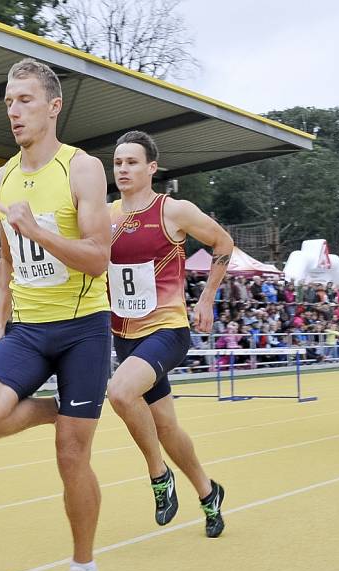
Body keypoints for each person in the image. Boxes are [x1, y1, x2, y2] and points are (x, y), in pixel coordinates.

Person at [0, 58, 111, 571]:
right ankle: (60, 408)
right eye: (7, 102)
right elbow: (5, 259)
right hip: (27, 328)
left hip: (82, 332)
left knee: (72, 455)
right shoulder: (0, 181)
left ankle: (83, 567)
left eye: (24, 100)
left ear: (53, 106)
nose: (13, 111)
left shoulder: (83, 170)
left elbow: (98, 259)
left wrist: (37, 230)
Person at [106, 130, 233, 538]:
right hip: (123, 334)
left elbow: (223, 242)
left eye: (132, 162)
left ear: (151, 168)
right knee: (165, 427)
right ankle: (208, 492)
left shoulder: (172, 210)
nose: (123, 169)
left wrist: (207, 299)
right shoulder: (106, 216)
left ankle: (159, 476)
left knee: (121, 392)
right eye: (118, 162)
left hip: (167, 329)